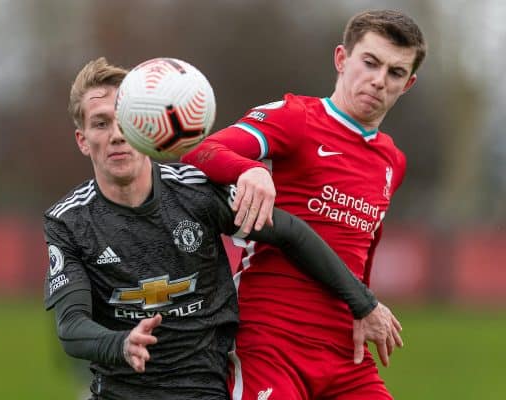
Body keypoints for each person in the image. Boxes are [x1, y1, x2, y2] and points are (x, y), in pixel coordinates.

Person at [43, 57, 399, 400]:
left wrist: (363, 304)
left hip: (204, 390)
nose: (116, 136)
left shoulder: (196, 192)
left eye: (124, 120)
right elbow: (71, 327)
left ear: (144, 123)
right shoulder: (69, 222)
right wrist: (120, 344)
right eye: (101, 123)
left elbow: (293, 234)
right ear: (82, 139)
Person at [182, 9, 427, 400]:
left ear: (408, 83)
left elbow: (362, 250)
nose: (379, 80)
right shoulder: (296, 118)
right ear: (342, 59)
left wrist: (363, 307)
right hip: (272, 343)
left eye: (395, 72)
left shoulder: (392, 161)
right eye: (370, 62)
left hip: (347, 353)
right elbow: (200, 151)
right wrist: (249, 169)